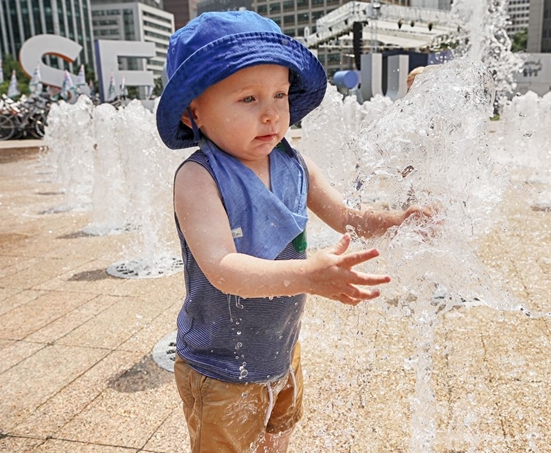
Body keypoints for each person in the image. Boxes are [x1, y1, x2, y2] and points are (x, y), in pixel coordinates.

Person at [155, 11, 431, 453]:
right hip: (219, 368)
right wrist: (307, 274)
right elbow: (223, 269)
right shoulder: (199, 179)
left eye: (280, 95)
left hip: (282, 353)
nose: (271, 114)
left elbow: (347, 217)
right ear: (195, 113)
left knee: (277, 437)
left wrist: (397, 221)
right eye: (248, 99)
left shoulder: (292, 163)